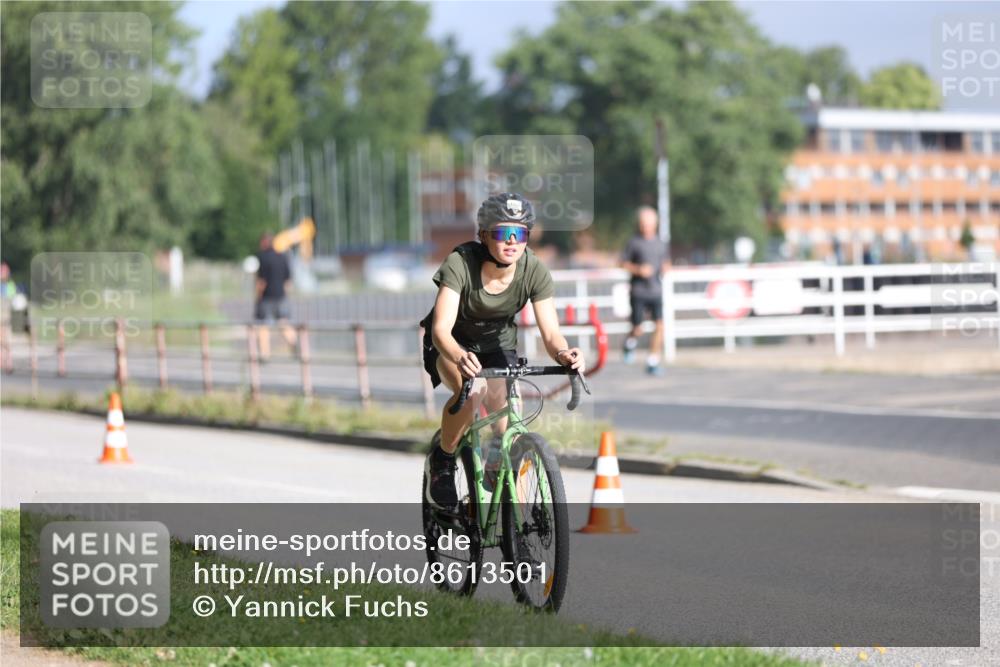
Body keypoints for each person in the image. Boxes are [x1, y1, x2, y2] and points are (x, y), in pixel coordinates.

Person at [421, 192, 585, 511]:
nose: (512, 241)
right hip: (454, 346)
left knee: (510, 421)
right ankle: (442, 461)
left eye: (520, 233)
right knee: (474, 391)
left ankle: (518, 532)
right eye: (502, 233)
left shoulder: (533, 270)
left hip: (498, 348)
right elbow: (441, 329)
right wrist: (458, 356)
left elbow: (551, 334)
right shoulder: (461, 263)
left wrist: (565, 354)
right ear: (484, 235)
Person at [621, 206, 669, 375]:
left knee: (660, 326)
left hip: (655, 291)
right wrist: (638, 270)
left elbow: (665, 263)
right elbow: (623, 263)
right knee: (638, 328)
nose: (645, 226)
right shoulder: (634, 242)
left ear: (655, 224)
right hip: (639, 291)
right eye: (643, 223)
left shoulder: (660, 243)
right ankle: (629, 344)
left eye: (648, 223)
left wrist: (666, 268)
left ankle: (653, 361)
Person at [254, 233, 298, 361]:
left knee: (263, 326)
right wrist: (284, 294)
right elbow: (288, 281)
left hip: (267, 297)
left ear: (264, 243)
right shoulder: (283, 257)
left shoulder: (263, 258)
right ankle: (295, 343)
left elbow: (261, 282)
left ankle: (264, 354)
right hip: (281, 296)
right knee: (283, 322)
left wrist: (259, 297)